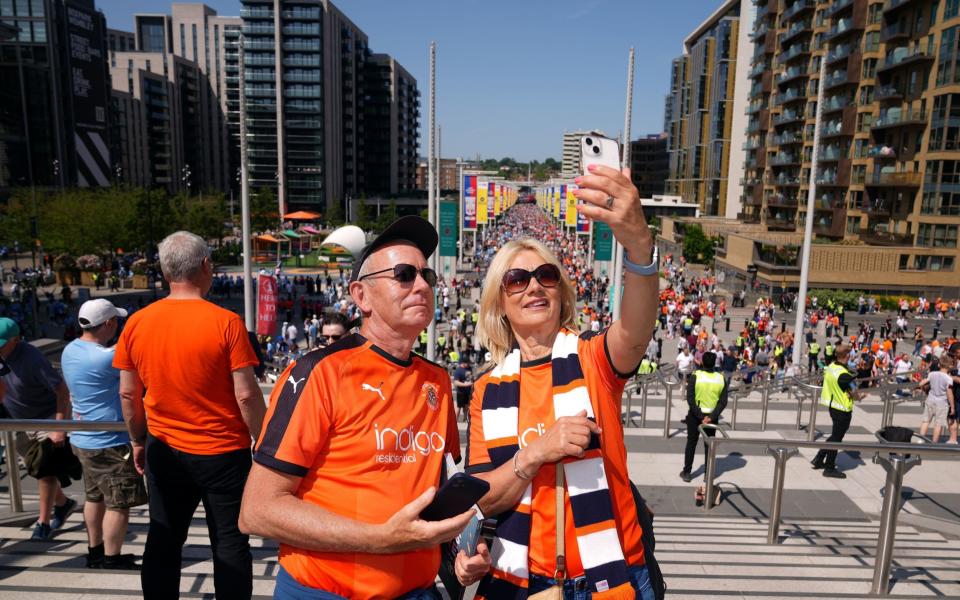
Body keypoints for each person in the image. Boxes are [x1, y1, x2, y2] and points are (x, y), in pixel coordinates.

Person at [239, 216, 470, 599]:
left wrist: (461, 551)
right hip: (326, 591)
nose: (421, 286)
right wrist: (380, 539)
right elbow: (258, 509)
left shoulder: (437, 380)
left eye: (427, 277)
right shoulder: (320, 372)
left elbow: (436, 493)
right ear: (361, 296)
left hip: (418, 590)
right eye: (404, 274)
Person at [457, 163, 659, 598]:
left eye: (546, 276)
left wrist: (640, 247)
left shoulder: (592, 358)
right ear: (499, 305)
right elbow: (483, 496)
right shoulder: (486, 390)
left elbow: (637, 330)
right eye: (517, 279)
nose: (534, 286)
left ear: (561, 293)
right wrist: (538, 452)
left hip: (611, 575)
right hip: (523, 581)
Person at [115, 231, 266, 599]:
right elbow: (246, 395)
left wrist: (137, 439)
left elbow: (127, 392)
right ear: (205, 267)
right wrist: (263, 442)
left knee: (164, 538)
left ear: (166, 272)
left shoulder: (137, 322)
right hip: (223, 453)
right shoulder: (226, 323)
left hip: (164, 449)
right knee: (230, 543)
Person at [61, 299, 146, 569]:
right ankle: (111, 557)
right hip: (110, 442)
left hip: (82, 438)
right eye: (116, 321)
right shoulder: (107, 357)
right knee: (118, 503)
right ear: (108, 323)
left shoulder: (70, 350)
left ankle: (95, 551)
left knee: (95, 496)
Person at [0, 317, 78, 541]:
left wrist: (59, 426)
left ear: (16, 340)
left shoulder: (32, 359)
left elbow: (61, 390)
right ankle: (63, 503)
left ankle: (43, 522)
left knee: (45, 469)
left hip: (46, 417)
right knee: (35, 467)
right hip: (17, 420)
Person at [679, 352, 728, 483]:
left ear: (702, 362)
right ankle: (708, 474)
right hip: (712, 417)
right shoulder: (721, 378)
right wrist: (711, 417)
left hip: (695, 415)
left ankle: (687, 472)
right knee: (709, 446)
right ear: (715, 363)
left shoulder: (696, 376)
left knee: (691, 443)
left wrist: (700, 416)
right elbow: (723, 402)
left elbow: (690, 398)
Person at [811, 345, 859, 479]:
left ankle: (819, 458)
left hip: (833, 406)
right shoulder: (844, 375)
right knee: (837, 439)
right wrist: (859, 396)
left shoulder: (832, 367)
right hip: (842, 409)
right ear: (847, 356)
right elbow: (853, 393)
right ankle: (829, 467)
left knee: (835, 436)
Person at [916, 355, 955, 443]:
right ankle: (934, 442)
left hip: (930, 399)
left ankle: (921, 440)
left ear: (938, 365)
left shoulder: (932, 374)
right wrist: (952, 406)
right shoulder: (948, 379)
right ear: (949, 366)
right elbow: (949, 393)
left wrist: (921, 384)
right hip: (942, 402)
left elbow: (922, 383)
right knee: (938, 424)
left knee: (926, 420)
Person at [453, 357, 473, 423]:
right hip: (461, 392)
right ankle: (455, 420)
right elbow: (456, 382)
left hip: (468, 391)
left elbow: (471, 378)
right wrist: (466, 384)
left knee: (467, 406)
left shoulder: (469, 368)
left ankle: (465, 419)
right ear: (463, 363)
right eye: (468, 363)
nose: (469, 364)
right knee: (459, 406)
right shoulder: (458, 371)